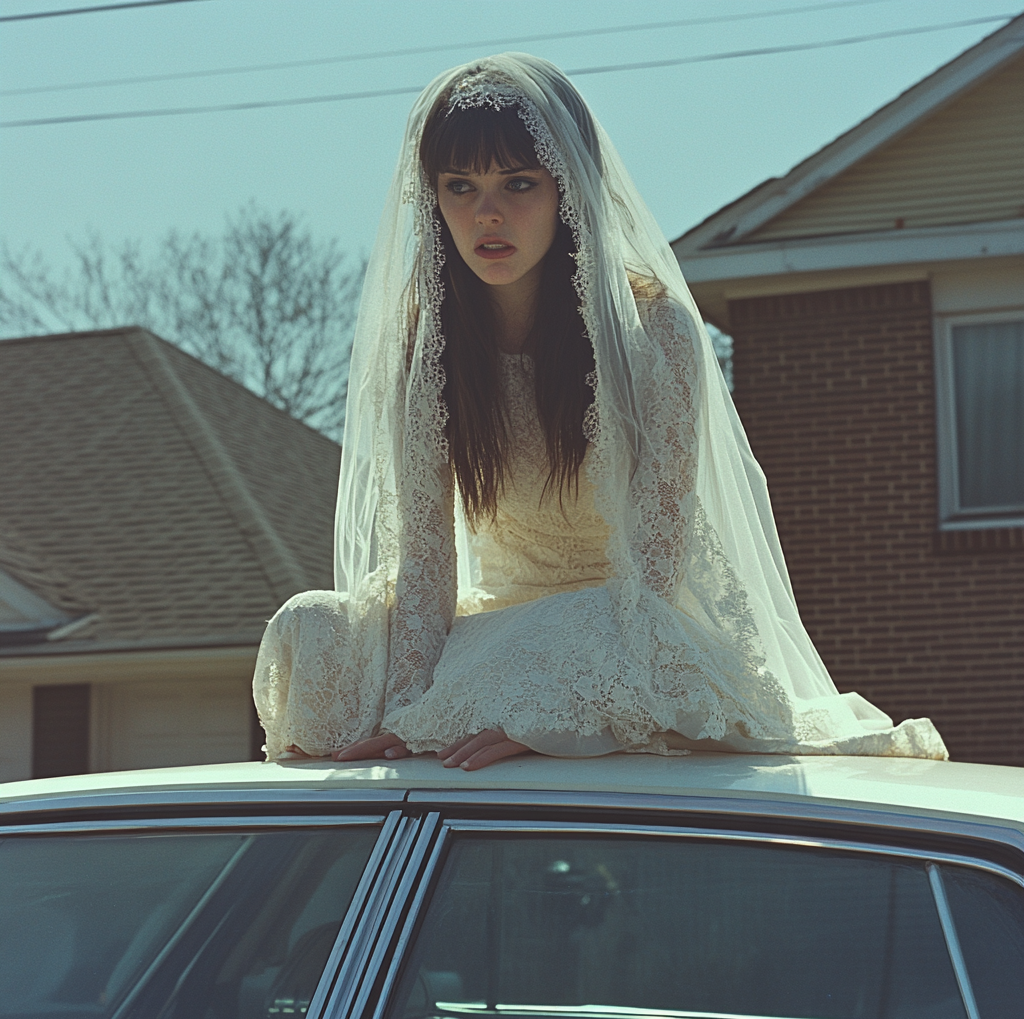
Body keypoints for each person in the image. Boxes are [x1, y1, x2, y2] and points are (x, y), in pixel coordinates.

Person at [253, 53, 947, 770]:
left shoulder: (656, 335)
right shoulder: (424, 352)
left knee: (584, 629)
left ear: (568, 190)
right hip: (494, 625)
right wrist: (411, 714)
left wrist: (558, 705)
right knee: (313, 629)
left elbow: (654, 572)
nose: (487, 213)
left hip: (629, 626)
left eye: (518, 183)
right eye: (460, 187)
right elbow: (428, 569)